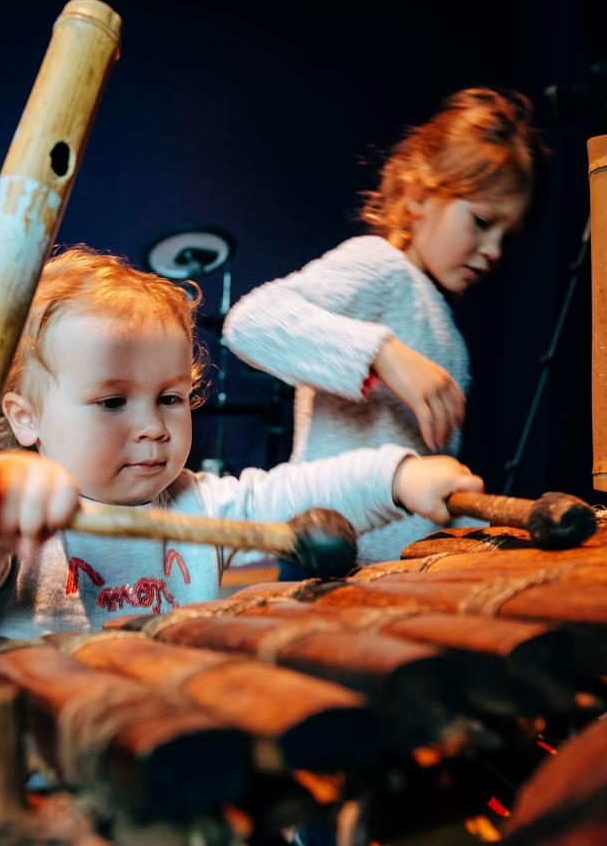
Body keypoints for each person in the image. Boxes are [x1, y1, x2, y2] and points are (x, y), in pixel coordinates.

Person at [0, 245, 483, 640]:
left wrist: (395, 477)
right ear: (26, 417)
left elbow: (291, 494)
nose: (153, 427)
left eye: (170, 398)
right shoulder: (13, 523)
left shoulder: (198, 505)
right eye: (112, 402)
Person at [223, 87, 547, 571]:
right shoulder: (381, 266)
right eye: (482, 222)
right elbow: (251, 322)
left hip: (392, 569)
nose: (494, 250)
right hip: (332, 558)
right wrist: (383, 353)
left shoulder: (440, 321)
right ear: (419, 195)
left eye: (506, 236)